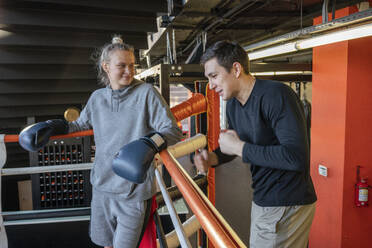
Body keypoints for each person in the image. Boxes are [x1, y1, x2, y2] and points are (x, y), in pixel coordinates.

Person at [19, 36, 182, 248]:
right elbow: (80, 125)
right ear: (106, 67)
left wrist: (149, 145)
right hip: (102, 188)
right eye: (121, 65)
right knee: (105, 244)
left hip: (133, 193)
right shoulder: (97, 98)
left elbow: (172, 130)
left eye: (132, 65)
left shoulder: (146, 94)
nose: (129, 71)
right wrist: (53, 126)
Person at [194, 40, 317, 248]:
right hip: (265, 198)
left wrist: (239, 148)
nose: (211, 85)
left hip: (285, 200)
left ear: (236, 69)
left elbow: (296, 158)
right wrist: (213, 158)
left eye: (214, 76)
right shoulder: (233, 104)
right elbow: (238, 146)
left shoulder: (276, 95)